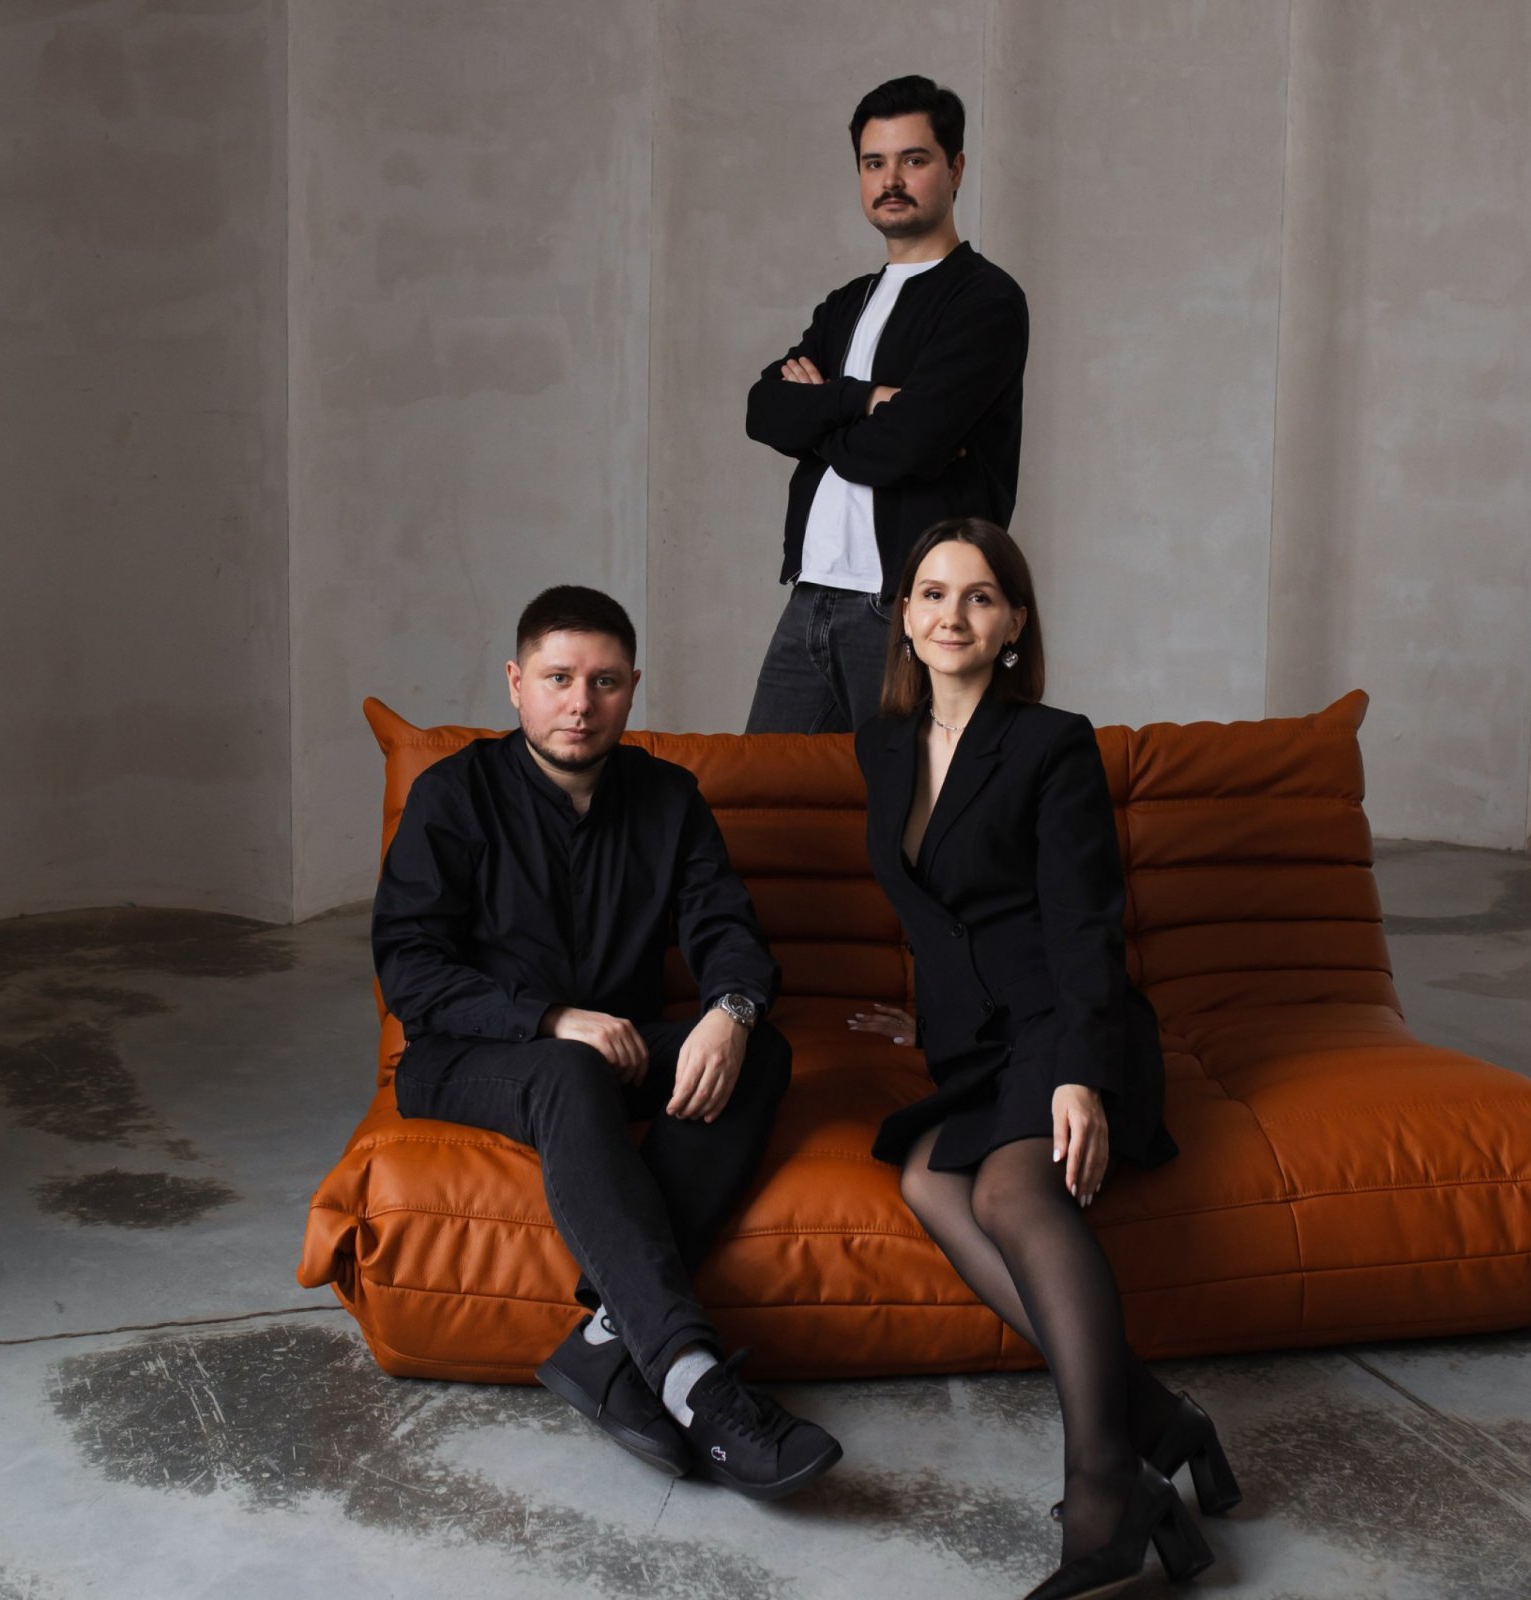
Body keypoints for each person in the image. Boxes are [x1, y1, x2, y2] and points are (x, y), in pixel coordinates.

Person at [373, 584, 841, 1501]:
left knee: (762, 1053)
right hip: (467, 1057)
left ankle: (605, 1341)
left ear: (632, 688)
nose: (580, 703)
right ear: (516, 684)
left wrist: (730, 1010)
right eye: (558, 678)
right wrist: (551, 1018)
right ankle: (692, 1381)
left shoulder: (667, 798)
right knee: (568, 1066)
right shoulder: (453, 795)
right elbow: (411, 972)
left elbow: (727, 931)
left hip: (610, 1055)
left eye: (604, 681)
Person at [850, 520, 1239, 1599]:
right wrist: (923, 1019)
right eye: (932, 593)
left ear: (1014, 623)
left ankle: (1107, 1486)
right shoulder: (882, 743)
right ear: (904, 616)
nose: (951, 615)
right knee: (927, 1177)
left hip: (1071, 1022)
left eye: (980, 596)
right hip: (976, 1040)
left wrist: (1080, 1071)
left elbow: (1082, 923)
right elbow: (936, 907)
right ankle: (1161, 1420)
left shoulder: (1053, 743)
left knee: (1011, 1192)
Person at [744, 74, 1029, 734]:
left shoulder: (985, 301)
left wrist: (821, 415)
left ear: (955, 169)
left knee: (911, 795)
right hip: (811, 596)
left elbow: (904, 446)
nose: (891, 179)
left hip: (910, 606)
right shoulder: (846, 304)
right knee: (761, 793)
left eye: (914, 159)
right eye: (874, 163)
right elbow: (764, 409)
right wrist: (865, 400)